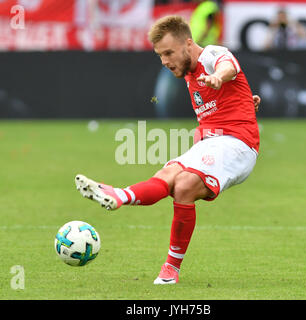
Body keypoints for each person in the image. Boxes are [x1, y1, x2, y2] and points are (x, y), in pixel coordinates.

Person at [75, 15, 261, 285]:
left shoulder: (211, 55)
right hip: (214, 142)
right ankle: (121, 196)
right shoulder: (188, 72)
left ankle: (169, 265)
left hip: (238, 144)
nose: (164, 61)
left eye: (168, 53)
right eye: (160, 55)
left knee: (184, 184)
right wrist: (245, 100)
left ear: (188, 44)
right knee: (171, 174)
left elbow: (227, 65)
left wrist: (218, 78)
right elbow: (233, 95)